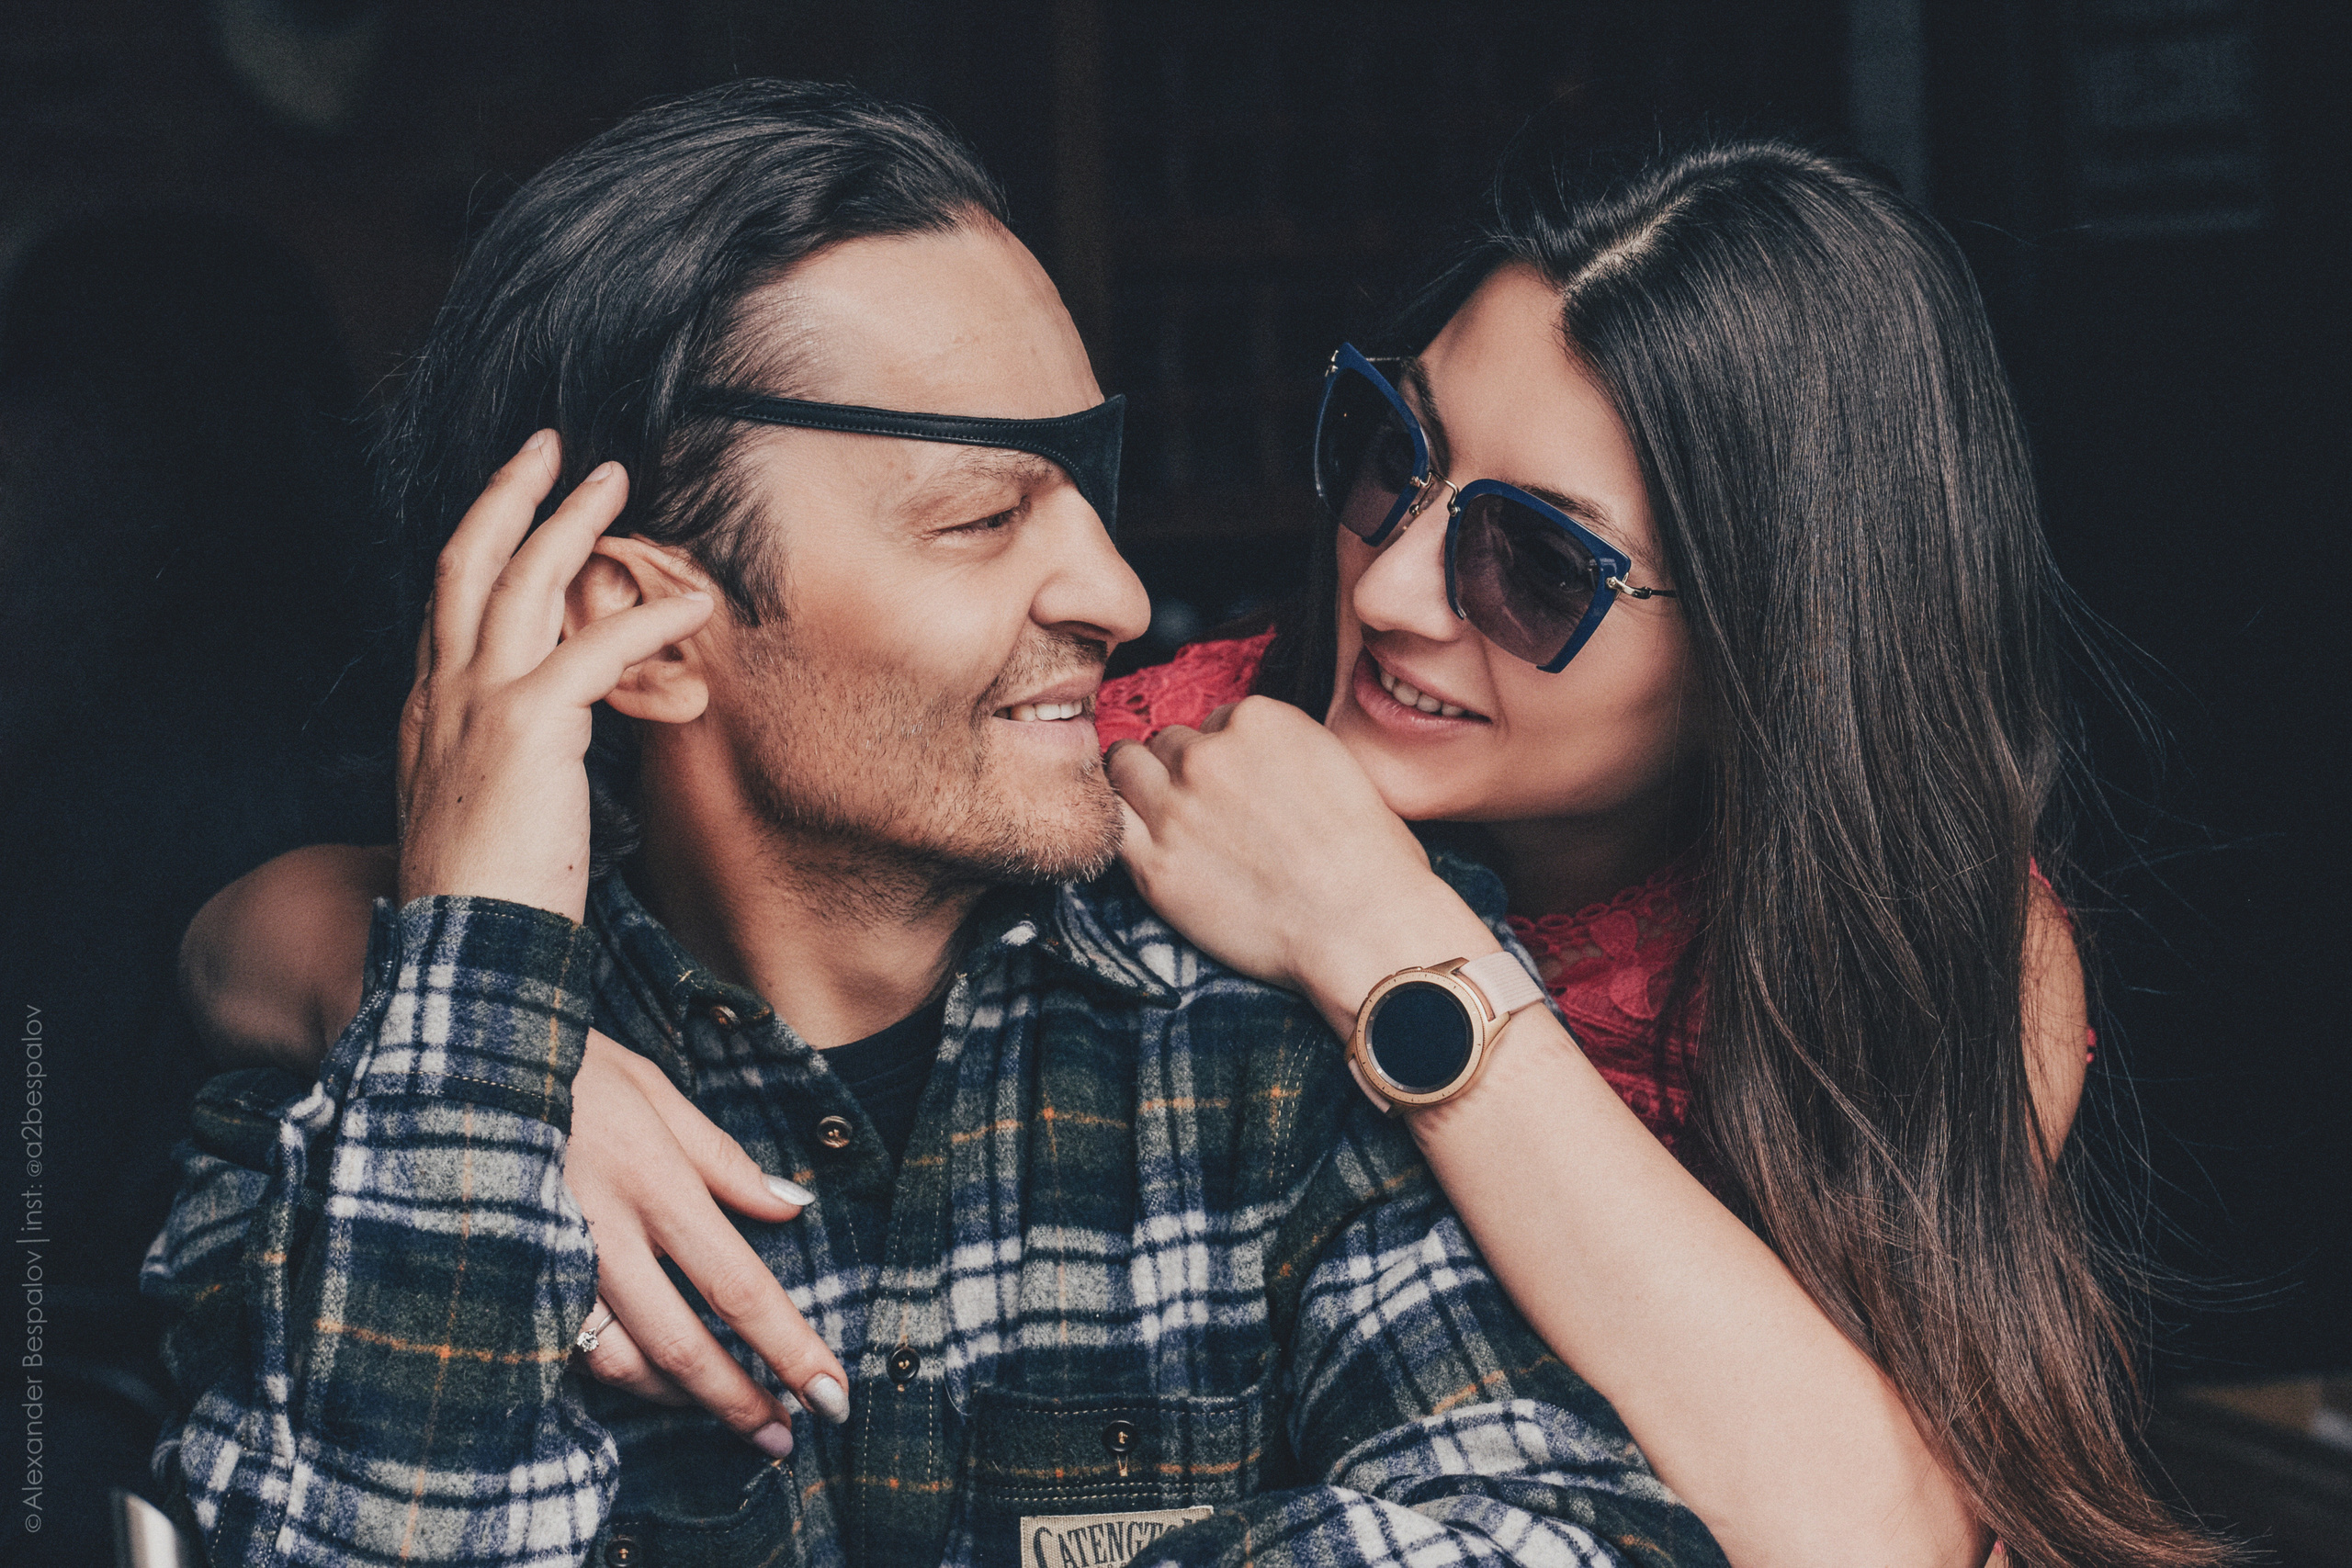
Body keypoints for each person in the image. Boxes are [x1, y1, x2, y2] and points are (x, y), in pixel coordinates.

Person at [175, 118, 2225, 1568]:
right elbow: (256, 924)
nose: (1394, 587)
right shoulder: (1160, 781)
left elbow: (1791, 1523)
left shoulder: (1339, 986)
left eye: (1533, 563)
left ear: (1773, 644)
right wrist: (481, 1027)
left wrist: (1381, 941)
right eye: (1384, 452)